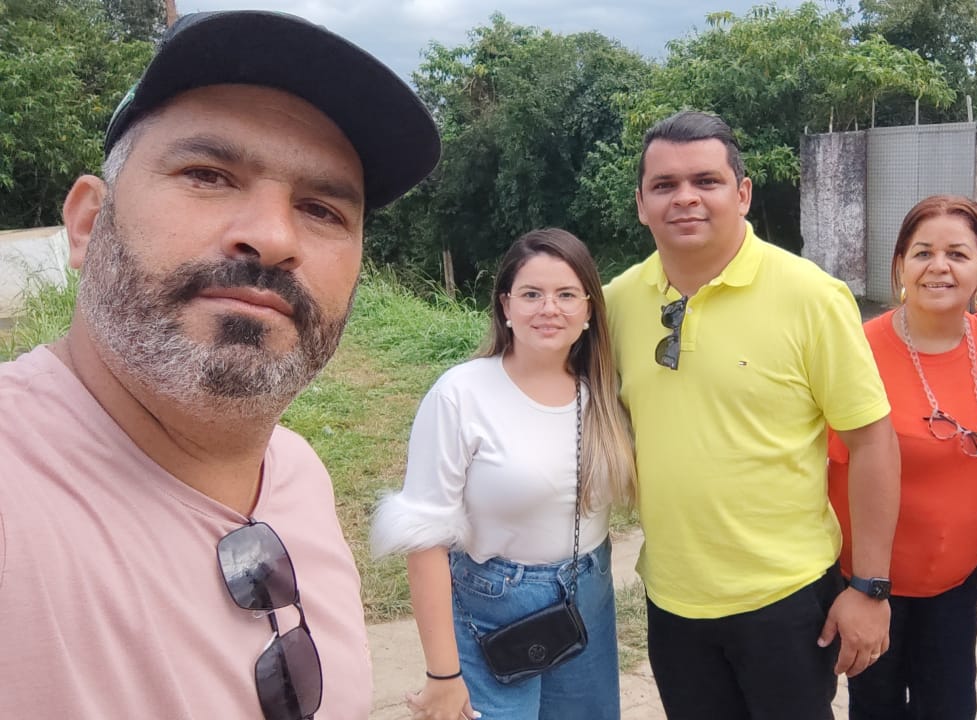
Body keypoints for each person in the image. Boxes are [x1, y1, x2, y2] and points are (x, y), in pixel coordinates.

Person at [0, 11, 440, 720]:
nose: (271, 238)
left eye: (323, 210)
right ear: (87, 223)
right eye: (207, 175)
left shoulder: (298, 473)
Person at [603, 110, 900, 719]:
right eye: (664, 185)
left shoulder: (811, 297)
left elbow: (873, 442)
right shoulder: (615, 304)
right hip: (671, 597)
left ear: (741, 194)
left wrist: (869, 588)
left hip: (785, 600)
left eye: (705, 181)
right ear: (641, 204)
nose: (685, 198)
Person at [370, 229, 636, 720]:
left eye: (566, 295)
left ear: (589, 311)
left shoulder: (604, 394)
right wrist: (443, 676)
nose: (548, 309)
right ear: (506, 306)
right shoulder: (461, 394)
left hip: (587, 596)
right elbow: (424, 539)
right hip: (491, 605)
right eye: (531, 294)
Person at [826, 196, 977, 719]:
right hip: (868, 588)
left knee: (953, 708)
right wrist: (855, 589)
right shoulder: (855, 352)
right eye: (922, 253)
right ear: (900, 268)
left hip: (956, 587)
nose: (938, 266)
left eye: (957, 254)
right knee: (875, 710)